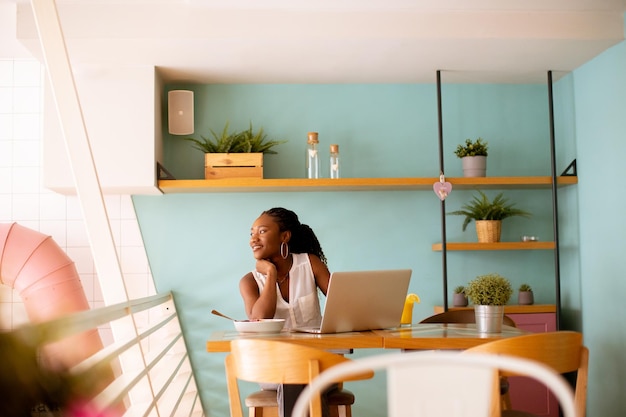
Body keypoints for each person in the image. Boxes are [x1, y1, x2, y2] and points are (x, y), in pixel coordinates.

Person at [239, 207, 332, 417]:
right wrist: (270, 274)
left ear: (285, 236)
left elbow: (342, 302)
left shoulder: (310, 264)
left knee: (301, 376)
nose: (254, 238)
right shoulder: (249, 282)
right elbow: (259, 320)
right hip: (274, 367)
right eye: (251, 233)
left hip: (318, 362)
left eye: (262, 231)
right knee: (295, 375)